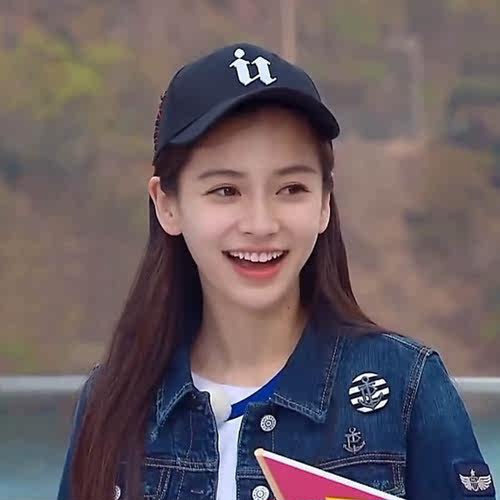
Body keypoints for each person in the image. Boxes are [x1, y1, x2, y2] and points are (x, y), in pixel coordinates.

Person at [56, 42, 496, 500]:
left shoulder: (406, 388)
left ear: (324, 203)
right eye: (226, 191)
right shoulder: (111, 401)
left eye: (291, 188)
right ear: (167, 205)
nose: (261, 224)